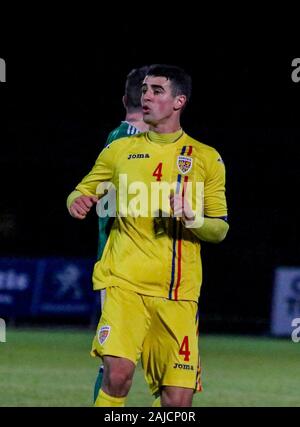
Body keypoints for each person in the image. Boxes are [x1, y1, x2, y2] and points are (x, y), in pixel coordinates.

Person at [67, 64, 229, 407]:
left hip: (178, 295)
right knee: (116, 374)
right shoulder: (119, 150)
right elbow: (82, 189)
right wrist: (77, 200)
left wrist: (192, 217)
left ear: (178, 101)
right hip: (124, 284)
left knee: (177, 400)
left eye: (157, 91)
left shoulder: (206, 158)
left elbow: (219, 229)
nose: (147, 96)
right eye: (144, 90)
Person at [94, 66, 149, 403]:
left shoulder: (122, 137)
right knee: (115, 368)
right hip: (123, 266)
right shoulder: (128, 140)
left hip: (141, 266)